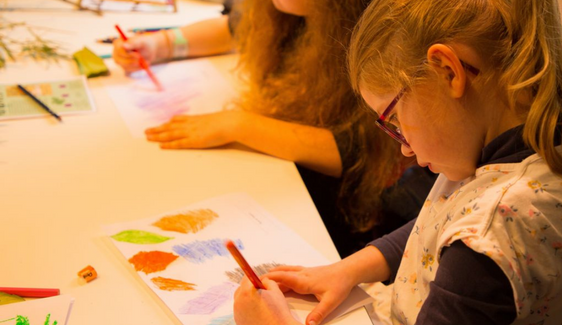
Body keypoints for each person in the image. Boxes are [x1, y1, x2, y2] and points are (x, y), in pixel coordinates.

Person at [232, 0, 562, 324]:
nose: (404, 149)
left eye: (394, 120)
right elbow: (444, 217)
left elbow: (475, 230)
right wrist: (348, 269)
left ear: (448, 72)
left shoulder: (488, 244)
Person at [112, 0, 437, 258]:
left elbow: (362, 155)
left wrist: (239, 125)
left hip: (343, 210)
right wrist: (165, 43)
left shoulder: (375, 35)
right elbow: (234, 27)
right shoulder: (285, 8)